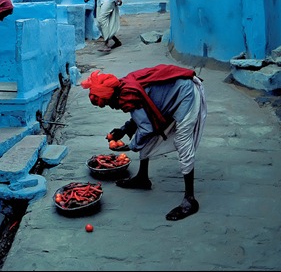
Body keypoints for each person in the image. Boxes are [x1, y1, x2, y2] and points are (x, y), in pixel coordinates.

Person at [80, 64, 207, 221]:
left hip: (185, 94)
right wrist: (124, 129)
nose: (111, 108)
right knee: (142, 134)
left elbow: (146, 127)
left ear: (112, 96)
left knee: (183, 141)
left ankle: (189, 200)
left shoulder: (128, 94)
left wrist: (131, 146)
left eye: (107, 103)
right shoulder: (123, 87)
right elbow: (143, 113)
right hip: (172, 93)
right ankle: (142, 178)